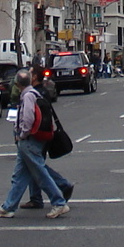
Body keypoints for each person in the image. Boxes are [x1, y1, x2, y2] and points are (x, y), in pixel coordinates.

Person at [0, 70, 69, 219]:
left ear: (17, 83)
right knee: (19, 175)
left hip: (29, 140)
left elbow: (27, 118)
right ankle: (8, 207)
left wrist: (22, 135)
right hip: (33, 140)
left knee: (40, 173)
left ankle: (59, 202)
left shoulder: (27, 96)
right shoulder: (34, 93)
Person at [24, 77, 76, 210]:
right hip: (45, 131)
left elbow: (32, 115)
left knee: (36, 165)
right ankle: (35, 197)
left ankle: (62, 185)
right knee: (34, 164)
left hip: (37, 133)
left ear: (35, 77)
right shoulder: (43, 91)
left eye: (31, 73)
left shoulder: (33, 94)